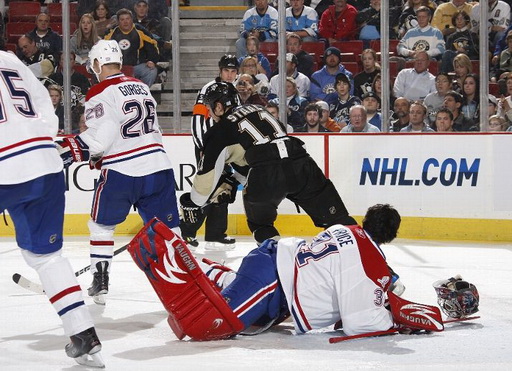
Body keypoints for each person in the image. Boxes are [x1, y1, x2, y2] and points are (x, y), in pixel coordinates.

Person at [128, 203, 455, 341]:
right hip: (273, 280)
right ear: (391, 236)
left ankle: (204, 267)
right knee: (211, 326)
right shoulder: (371, 262)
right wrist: (397, 316)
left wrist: (386, 298)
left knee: (235, 295)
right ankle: (172, 253)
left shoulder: (348, 230)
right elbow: (361, 322)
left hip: (274, 277)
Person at [55, 40, 181, 305]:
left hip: (123, 171)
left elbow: (100, 140)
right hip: (158, 167)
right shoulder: (142, 86)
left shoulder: (101, 91)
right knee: (169, 231)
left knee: (101, 226)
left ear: (99, 63)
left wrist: (66, 152)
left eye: (93, 66)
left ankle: (100, 283)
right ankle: (184, 284)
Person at [0, 50, 104, 368]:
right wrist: (40, 142)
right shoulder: (9, 59)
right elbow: (43, 100)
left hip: (6, 164)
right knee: (48, 259)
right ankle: (83, 334)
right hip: (44, 163)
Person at [181, 81, 357, 244]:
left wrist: (192, 203)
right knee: (339, 220)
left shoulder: (218, 131)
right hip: (300, 162)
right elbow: (265, 144)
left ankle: (279, 262)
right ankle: (367, 253)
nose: (209, 113)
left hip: (266, 175)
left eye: (210, 108)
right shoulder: (259, 109)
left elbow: (203, 188)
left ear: (218, 106)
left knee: (261, 225)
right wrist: (235, 179)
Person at [183, 55, 240, 250]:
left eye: (233, 71)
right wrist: (202, 148)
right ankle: (187, 232)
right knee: (205, 188)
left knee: (223, 188)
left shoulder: (234, 92)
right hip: (209, 147)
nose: (230, 75)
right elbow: (197, 120)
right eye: (226, 70)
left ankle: (215, 233)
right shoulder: (208, 90)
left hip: (225, 148)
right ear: (220, 70)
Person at [104, 8, 160, 87]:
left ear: (132, 19)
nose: (125, 22)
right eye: (122, 19)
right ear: (118, 22)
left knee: (151, 71)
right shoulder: (111, 32)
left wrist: (152, 60)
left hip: (135, 67)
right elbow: (102, 47)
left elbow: (153, 44)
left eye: (127, 19)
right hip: (117, 68)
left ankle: (142, 92)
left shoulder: (140, 31)